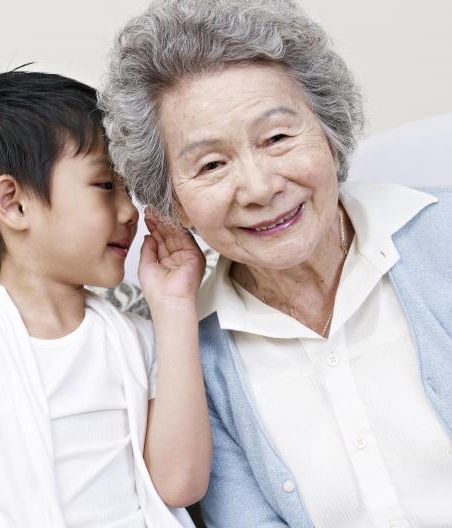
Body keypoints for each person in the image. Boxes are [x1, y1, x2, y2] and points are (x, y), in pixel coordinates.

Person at [101, 0, 452, 526]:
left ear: (330, 133)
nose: (261, 188)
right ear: (172, 202)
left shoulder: (440, 239)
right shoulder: (193, 358)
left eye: (278, 138)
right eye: (212, 164)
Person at [0, 69, 211, 528]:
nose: (129, 212)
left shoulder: (144, 340)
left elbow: (179, 486)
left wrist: (176, 308)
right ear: (14, 204)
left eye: (129, 190)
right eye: (106, 186)